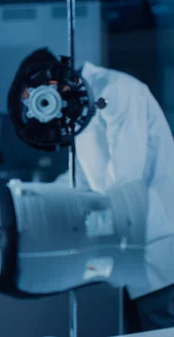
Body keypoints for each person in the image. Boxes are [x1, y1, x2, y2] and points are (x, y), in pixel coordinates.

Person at [14, 48, 174, 333]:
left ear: (54, 80)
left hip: (157, 255)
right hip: (128, 260)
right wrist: (25, 200)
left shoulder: (119, 91)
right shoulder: (77, 109)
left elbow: (124, 183)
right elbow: (80, 178)